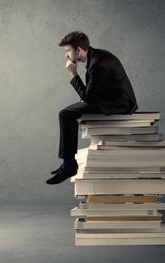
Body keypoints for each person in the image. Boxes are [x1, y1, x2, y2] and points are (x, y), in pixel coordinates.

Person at [46, 31, 138, 185]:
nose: (66, 55)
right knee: (68, 114)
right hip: (106, 98)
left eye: (68, 51)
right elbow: (91, 92)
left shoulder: (96, 64)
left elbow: (88, 96)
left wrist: (73, 74)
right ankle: (67, 164)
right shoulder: (94, 57)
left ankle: (68, 166)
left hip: (118, 104)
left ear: (79, 51)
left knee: (65, 114)